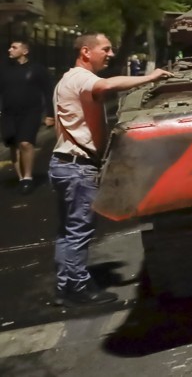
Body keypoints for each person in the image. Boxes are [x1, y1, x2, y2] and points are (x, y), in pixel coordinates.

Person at [51, 33, 171, 306]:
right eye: (105, 49)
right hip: (77, 168)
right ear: (85, 52)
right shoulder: (81, 78)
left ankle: (64, 287)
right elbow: (107, 86)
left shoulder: (67, 79)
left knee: (67, 232)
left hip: (63, 165)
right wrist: (149, 78)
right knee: (79, 231)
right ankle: (78, 289)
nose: (111, 54)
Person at [1, 41, 54, 193]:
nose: (9, 49)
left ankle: (28, 177)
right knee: (13, 145)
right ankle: (21, 178)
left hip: (31, 112)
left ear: (25, 51)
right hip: (8, 113)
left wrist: (50, 114)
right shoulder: (4, 68)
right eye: (10, 46)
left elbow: (48, 91)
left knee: (25, 143)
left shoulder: (37, 69)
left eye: (14, 47)